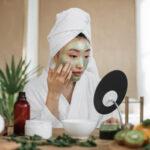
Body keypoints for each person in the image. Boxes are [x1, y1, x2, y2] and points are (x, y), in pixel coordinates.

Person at [24, 8, 119, 128]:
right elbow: (35, 134)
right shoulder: (33, 89)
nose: (81, 65)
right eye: (73, 55)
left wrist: (109, 125)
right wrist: (53, 94)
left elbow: (110, 121)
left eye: (86, 56)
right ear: (55, 56)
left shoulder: (97, 86)